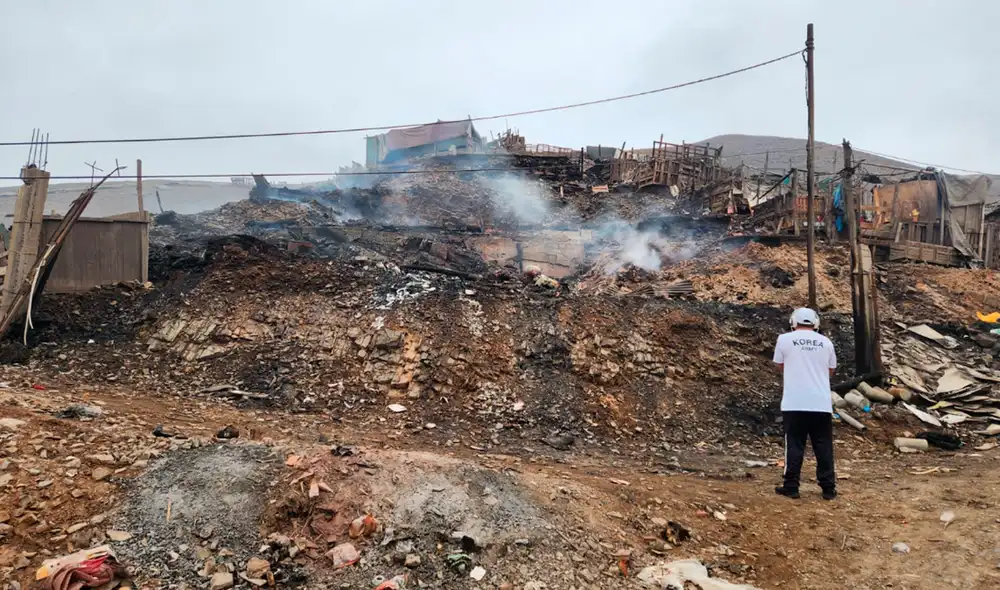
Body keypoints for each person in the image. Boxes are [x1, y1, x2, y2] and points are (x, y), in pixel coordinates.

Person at [772, 308, 838, 500]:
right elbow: (831, 370)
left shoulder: (784, 340)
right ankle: (828, 488)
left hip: (794, 402)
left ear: (793, 322)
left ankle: (791, 486)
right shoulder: (826, 342)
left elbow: (779, 365)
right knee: (823, 446)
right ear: (816, 323)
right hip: (821, 403)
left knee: (794, 445)